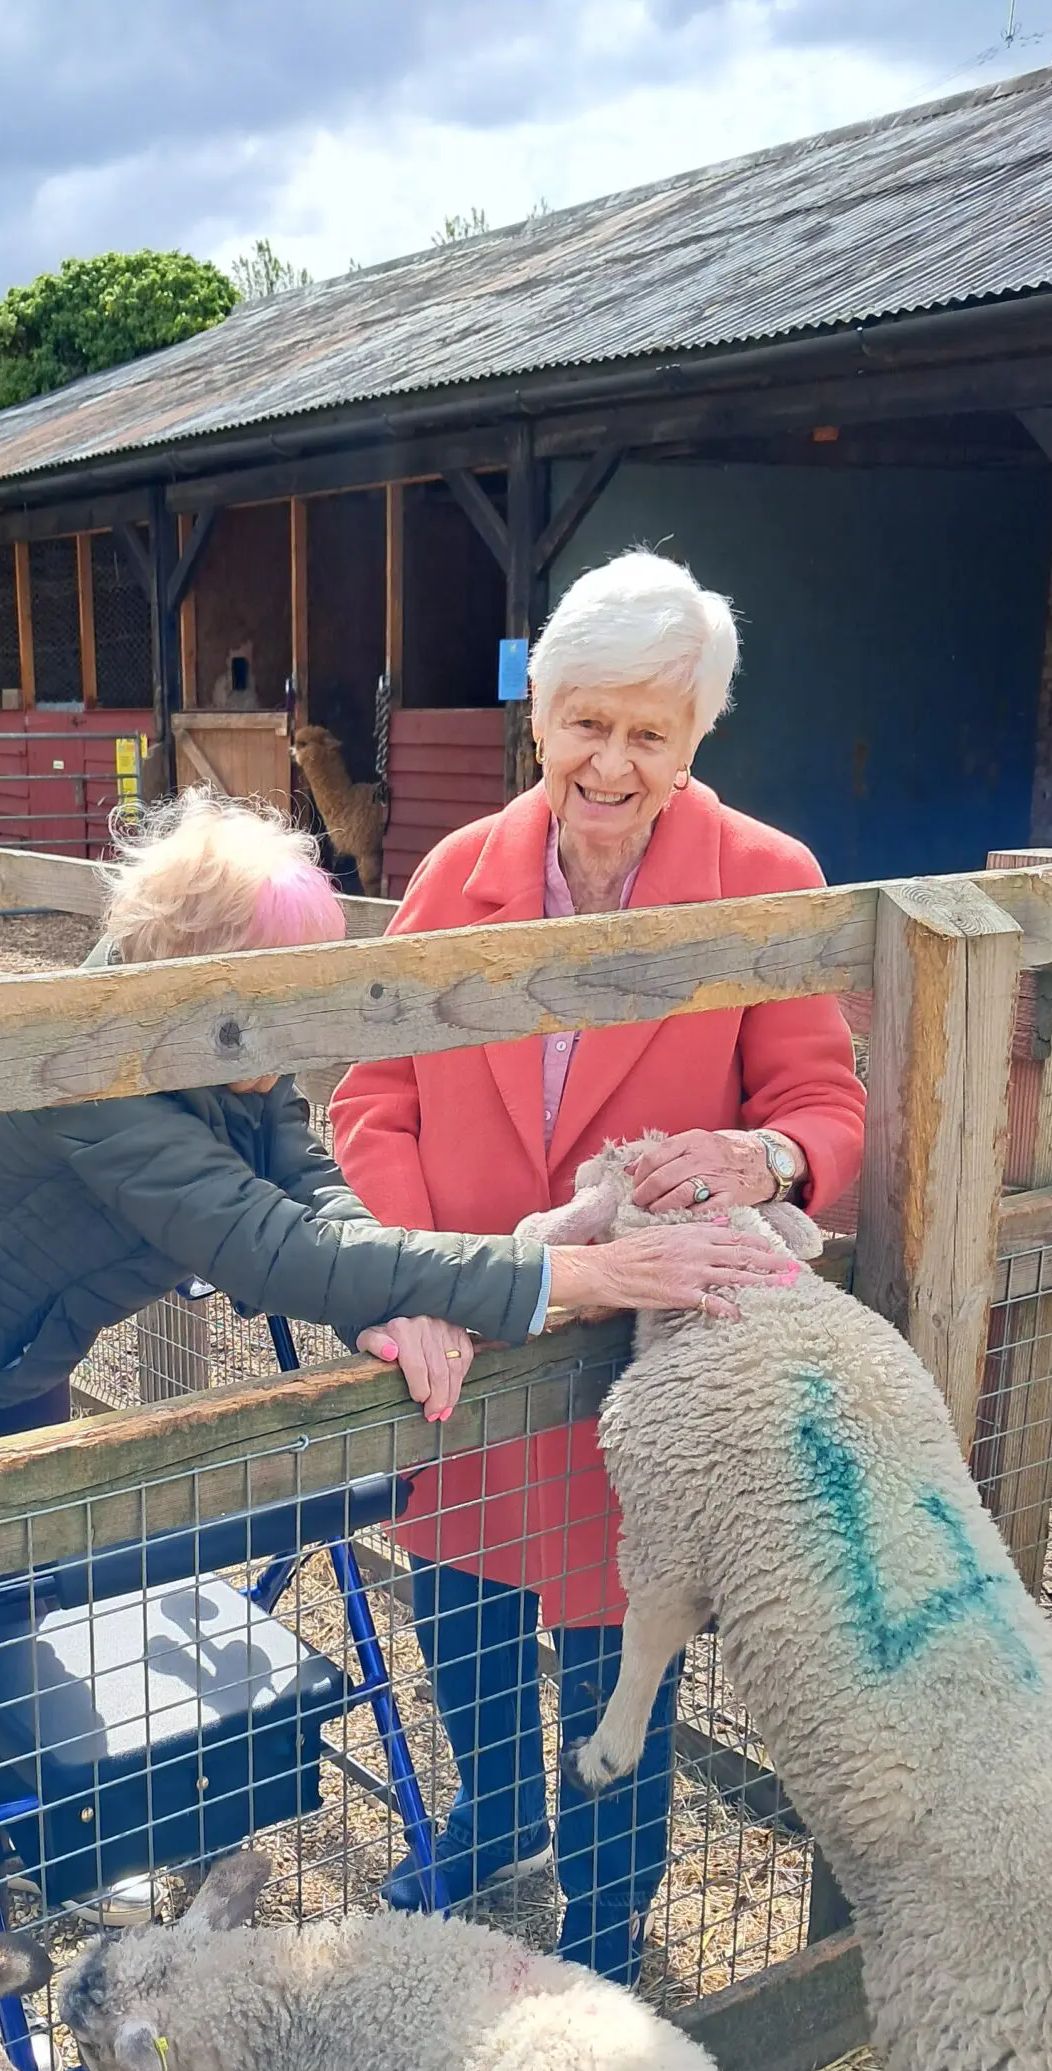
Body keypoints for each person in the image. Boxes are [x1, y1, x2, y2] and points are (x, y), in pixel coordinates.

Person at [332, 550, 867, 1974]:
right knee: (467, 1630)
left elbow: (823, 1106)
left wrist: (772, 1162)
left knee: (623, 1684)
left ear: (697, 737)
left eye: (650, 732)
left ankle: (605, 1932)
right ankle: (493, 1824)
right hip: (474, 1340)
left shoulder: (764, 883)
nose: (611, 764)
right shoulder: (457, 873)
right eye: (586, 724)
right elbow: (372, 1097)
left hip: (645, 1389)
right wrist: (409, 1273)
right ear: (540, 718)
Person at [0, 792, 796, 1458]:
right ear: (193, 967)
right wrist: (580, 1273)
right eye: (275, 1001)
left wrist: (400, 1296)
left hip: (29, 1338)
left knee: (38, 1579)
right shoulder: (93, 1069)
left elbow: (309, 1183)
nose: (292, 1034)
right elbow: (274, 1248)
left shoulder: (228, 1037)